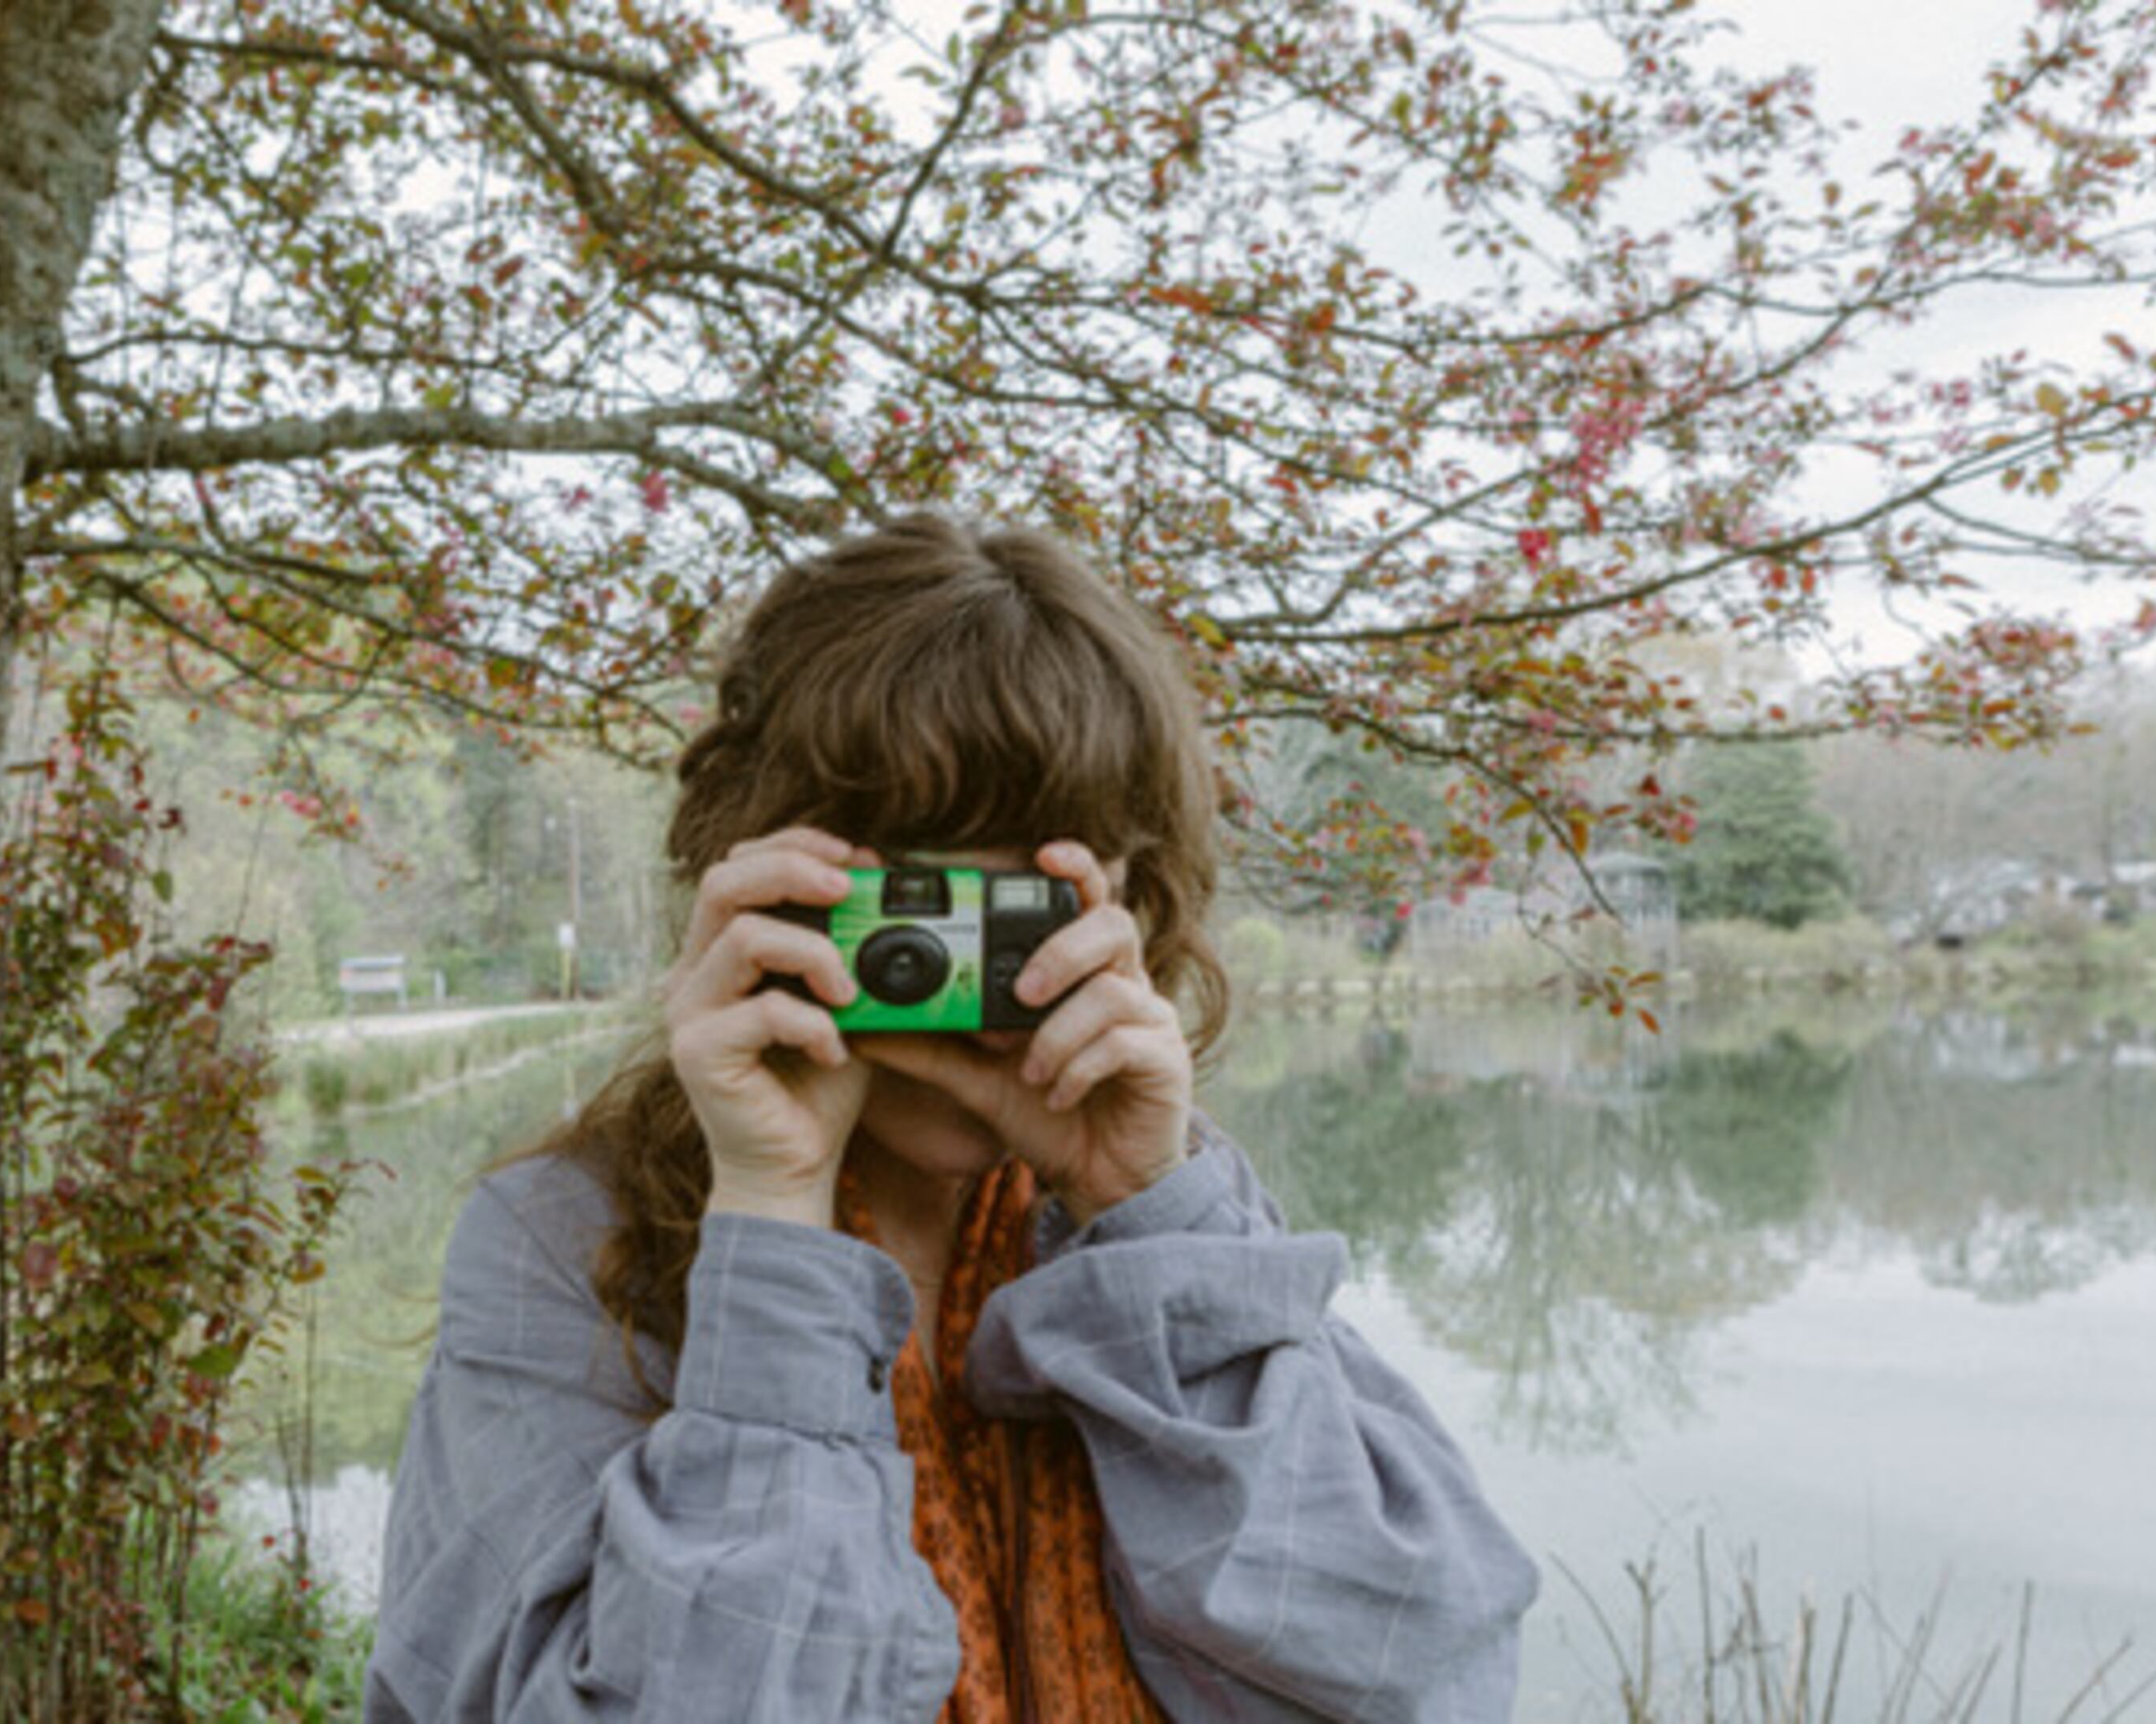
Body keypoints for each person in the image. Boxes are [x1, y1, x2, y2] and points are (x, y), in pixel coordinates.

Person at [366, 515, 1537, 1722]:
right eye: (921, 917)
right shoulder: (564, 1244)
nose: (987, 1001)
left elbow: (1426, 1673)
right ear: (761, 879)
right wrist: (772, 1227)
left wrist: (1155, 1223)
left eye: (1029, 923)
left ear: (1134, 905)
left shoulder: (1168, 1217)